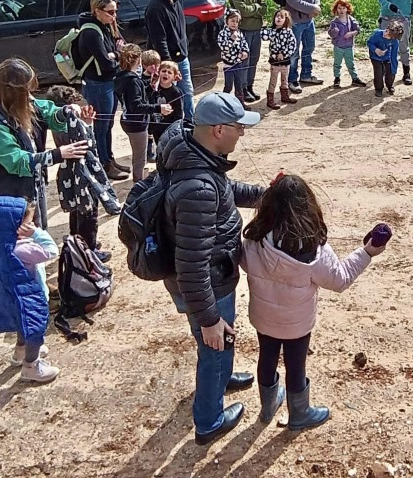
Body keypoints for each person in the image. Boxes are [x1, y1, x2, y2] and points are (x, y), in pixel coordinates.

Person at [156, 92, 265, 445]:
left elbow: (226, 189)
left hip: (212, 280)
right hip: (209, 286)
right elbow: (191, 265)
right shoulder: (198, 189)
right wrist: (208, 319)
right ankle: (209, 421)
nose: (242, 134)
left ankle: (222, 376)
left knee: (219, 345)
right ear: (218, 130)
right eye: (238, 127)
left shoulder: (195, 155)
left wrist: (264, 195)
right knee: (214, 343)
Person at [239, 174, 387, 430]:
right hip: (297, 325)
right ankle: (299, 414)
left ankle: (267, 408)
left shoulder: (254, 241)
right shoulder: (314, 251)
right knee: (296, 367)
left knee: (266, 358)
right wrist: (367, 252)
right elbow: (340, 280)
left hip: (263, 319)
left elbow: (243, 262)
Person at [0, 58, 88, 230]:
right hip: (11, 193)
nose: (30, 96)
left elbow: (46, 112)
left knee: (40, 231)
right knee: (21, 239)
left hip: (34, 184)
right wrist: (57, 154)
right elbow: (17, 161)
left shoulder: (24, 104)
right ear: (13, 93)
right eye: (25, 91)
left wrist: (65, 112)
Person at [0, 196, 59, 384]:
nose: (32, 226)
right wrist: (37, 233)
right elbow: (52, 250)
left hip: (13, 299)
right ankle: (31, 366)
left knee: (22, 326)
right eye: (29, 223)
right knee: (35, 331)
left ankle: (20, 352)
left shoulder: (0, 248)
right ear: (16, 227)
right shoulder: (23, 249)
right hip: (30, 298)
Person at [45, 85, 118, 264]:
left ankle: (78, 243)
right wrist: (87, 124)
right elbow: (87, 145)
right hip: (83, 173)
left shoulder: (58, 123)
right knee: (88, 214)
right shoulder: (71, 125)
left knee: (77, 210)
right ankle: (89, 251)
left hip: (70, 174)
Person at [73, 0, 127, 180]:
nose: (114, 16)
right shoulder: (91, 32)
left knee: (108, 124)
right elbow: (106, 63)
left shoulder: (104, 27)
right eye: (110, 12)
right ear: (97, 11)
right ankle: (103, 165)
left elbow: (115, 52)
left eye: (115, 11)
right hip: (98, 84)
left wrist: (114, 54)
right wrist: (117, 55)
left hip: (107, 82)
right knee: (101, 126)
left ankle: (109, 159)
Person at [114, 43, 173, 182]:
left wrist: (149, 86)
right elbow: (137, 106)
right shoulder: (133, 81)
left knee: (138, 156)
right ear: (138, 60)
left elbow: (133, 97)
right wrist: (159, 108)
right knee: (140, 159)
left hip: (127, 120)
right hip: (137, 125)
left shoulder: (121, 76)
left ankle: (139, 180)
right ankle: (139, 184)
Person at [146, 0, 195, 120]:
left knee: (187, 93)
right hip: (168, 62)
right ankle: (176, 126)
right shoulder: (155, 8)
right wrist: (169, 66)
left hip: (182, 57)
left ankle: (190, 123)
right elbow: (159, 40)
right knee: (171, 97)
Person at [279, 0, 323, 92]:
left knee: (309, 48)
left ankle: (306, 74)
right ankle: (292, 80)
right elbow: (292, 0)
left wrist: (316, 5)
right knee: (293, 52)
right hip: (295, 21)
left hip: (309, 19)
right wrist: (311, 8)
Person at [227, 0, 267, 102]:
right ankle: (242, 89)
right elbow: (242, 10)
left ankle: (250, 86)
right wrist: (256, 7)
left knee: (254, 60)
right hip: (243, 30)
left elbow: (264, 8)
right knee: (244, 60)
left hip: (257, 30)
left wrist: (253, 9)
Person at [144, 55, 185, 149]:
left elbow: (179, 113)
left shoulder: (176, 92)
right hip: (156, 126)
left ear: (174, 77)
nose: (166, 74)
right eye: (163, 71)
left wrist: (175, 128)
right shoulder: (154, 88)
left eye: (169, 72)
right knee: (159, 148)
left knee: (168, 149)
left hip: (169, 129)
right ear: (159, 73)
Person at [262, 9, 299, 109]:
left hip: (285, 62)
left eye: (281, 17)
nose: (278, 18)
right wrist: (263, 28)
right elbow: (263, 36)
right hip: (274, 62)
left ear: (286, 20)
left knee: (284, 80)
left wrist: (284, 54)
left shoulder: (289, 32)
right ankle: (270, 100)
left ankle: (285, 96)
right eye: (277, 16)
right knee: (273, 81)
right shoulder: (271, 31)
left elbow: (292, 45)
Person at [327, 0, 366, 88]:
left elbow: (358, 30)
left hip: (349, 46)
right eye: (339, 8)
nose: (342, 10)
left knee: (351, 63)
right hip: (338, 47)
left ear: (347, 9)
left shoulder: (351, 20)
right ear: (336, 9)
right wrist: (334, 32)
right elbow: (330, 34)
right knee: (337, 64)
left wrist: (351, 33)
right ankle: (337, 79)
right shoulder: (334, 22)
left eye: (344, 8)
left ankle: (355, 79)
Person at [217, 10, 251, 105]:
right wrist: (231, 39)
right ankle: (224, 103)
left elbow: (244, 43)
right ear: (226, 20)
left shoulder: (239, 32)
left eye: (237, 21)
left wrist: (245, 51)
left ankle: (240, 104)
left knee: (239, 85)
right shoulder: (222, 34)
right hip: (228, 65)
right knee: (228, 86)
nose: (234, 23)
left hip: (238, 64)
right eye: (232, 21)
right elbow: (224, 48)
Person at [367, 20, 403, 99]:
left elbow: (394, 55)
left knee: (390, 72)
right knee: (378, 73)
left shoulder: (395, 41)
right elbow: (369, 43)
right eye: (387, 33)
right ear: (387, 30)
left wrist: (394, 69)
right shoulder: (377, 34)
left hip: (387, 57)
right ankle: (378, 89)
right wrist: (376, 50)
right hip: (375, 57)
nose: (386, 35)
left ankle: (390, 86)